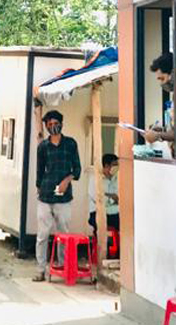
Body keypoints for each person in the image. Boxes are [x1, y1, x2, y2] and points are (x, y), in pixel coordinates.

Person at [32, 109, 81, 282]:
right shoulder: (43, 147)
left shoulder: (71, 144)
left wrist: (67, 180)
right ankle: (40, 270)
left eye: (56, 123)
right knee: (42, 235)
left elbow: (77, 169)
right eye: (50, 124)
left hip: (64, 196)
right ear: (46, 126)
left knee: (63, 234)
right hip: (45, 195)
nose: (53, 126)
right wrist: (39, 188)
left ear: (61, 124)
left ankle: (63, 266)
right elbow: (39, 171)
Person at [143, 52, 176, 144]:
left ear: (173, 74)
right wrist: (162, 130)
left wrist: (159, 136)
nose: (161, 83)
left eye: (162, 78)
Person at [88, 152, 120, 235]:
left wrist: (107, 195)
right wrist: (112, 198)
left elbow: (119, 197)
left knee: (127, 220)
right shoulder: (95, 179)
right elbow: (98, 198)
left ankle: (119, 242)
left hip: (115, 212)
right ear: (106, 165)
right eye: (114, 165)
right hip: (98, 212)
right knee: (99, 223)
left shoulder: (117, 178)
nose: (117, 167)